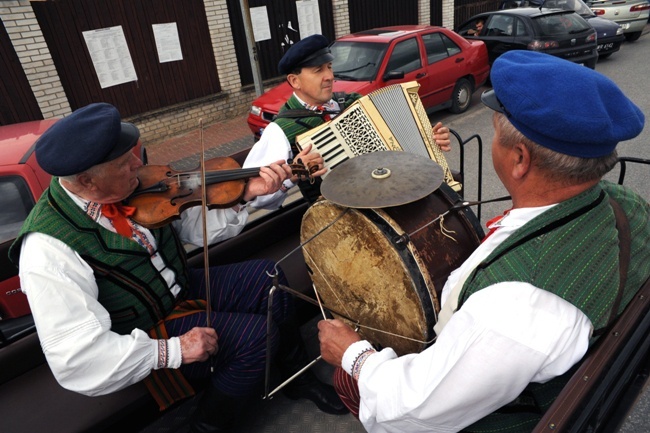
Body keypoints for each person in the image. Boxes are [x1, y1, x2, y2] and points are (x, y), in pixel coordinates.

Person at [317, 50, 650, 432]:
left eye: (495, 134)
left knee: (346, 378)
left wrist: (354, 354)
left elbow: (412, 409)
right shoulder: (629, 204)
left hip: (514, 416)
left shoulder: (515, 305)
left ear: (520, 159)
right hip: (584, 381)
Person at [8, 102, 345, 433]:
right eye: (123, 164)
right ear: (87, 182)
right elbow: (77, 359)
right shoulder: (47, 250)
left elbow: (191, 225)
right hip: (141, 329)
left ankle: (294, 375)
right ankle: (208, 423)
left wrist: (247, 192)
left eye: (134, 155)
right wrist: (174, 350)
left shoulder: (129, 184)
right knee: (257, 337)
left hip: (178, 285)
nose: (137, 168)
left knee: (266, 276)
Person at [243, 34, 452, 209]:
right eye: (318, 71)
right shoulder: (279, 131)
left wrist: (427, 142)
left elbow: (391, 146)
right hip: (339, 219)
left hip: (384, 195)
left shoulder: (350, 103)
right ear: (294, 81)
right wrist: (293, 175)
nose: (329, 76)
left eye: (329, 66)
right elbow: (256, 199)